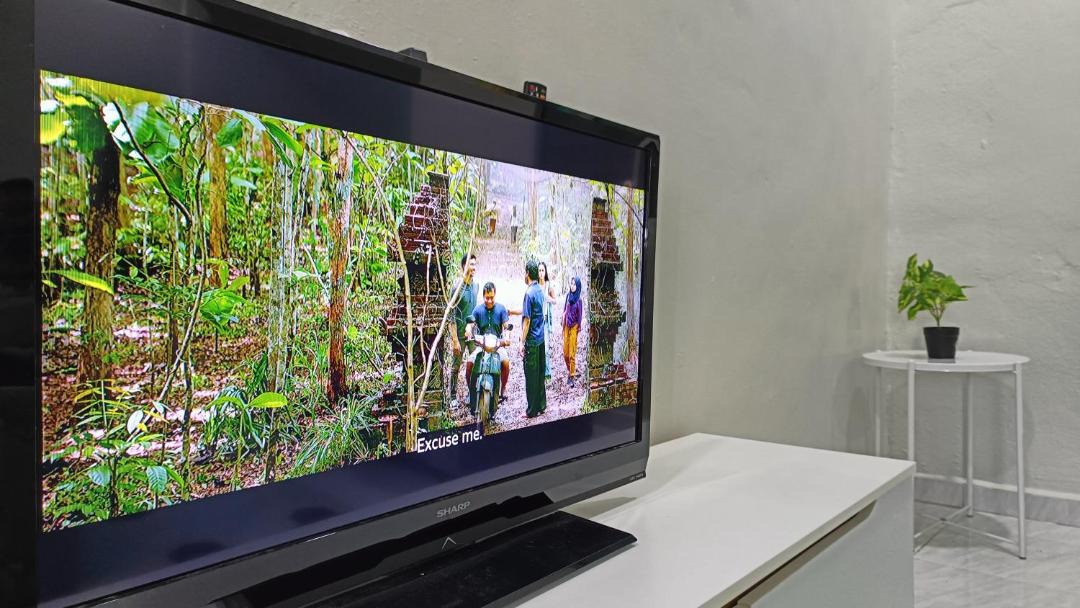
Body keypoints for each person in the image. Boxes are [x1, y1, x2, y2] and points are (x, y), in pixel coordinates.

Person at [465, 282, 512, 415]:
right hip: (482, 345)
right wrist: (468, 331)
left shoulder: (501, 309)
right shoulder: (478, 310)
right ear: (483, 296)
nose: (489, 300)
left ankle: (502, 389)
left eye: (491, 297)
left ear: (495, 295)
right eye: (487, 298)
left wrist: (507, 337)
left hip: (497, 345)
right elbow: (470, 324)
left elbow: (506, 326)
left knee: (506, 362)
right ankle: (471, 392)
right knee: (469, 364)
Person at [448, 254, 478, 409]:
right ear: (463, 267)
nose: (473, 268)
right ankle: (452, 396)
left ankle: (471, 393)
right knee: (455, 367)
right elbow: (451, 316)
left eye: (474, 264)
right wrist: (454, 340)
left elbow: (475, 311)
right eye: (470, 264)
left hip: (472, 333)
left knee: (475, 363)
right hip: (459, 335)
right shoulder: (457, 288)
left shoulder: (476, 286)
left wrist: (473, 327)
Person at [521, 260, 547, 418]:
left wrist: (522, 342)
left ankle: (531, 411)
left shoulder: (528, 293)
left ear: (527, 274)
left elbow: (527, 320)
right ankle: (542, 405)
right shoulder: (539, 290)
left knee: (531, 375)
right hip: (541, 339)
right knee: (540, 374)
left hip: (531, 340)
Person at [537, 262, 557, 380]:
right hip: (536, 321)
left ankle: (547, 373)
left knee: (545, 349)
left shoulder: (548, 286)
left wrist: (546, 297)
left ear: (545, 272)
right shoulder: (535, 286)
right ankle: (539, 373)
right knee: (538, 348)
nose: (541, 273)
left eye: (542, 270)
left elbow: (555, 301)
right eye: (539, 270)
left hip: (545, 321)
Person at [562, 276, 583, 386]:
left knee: (571, 353)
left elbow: (580, 316)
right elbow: (564, 310)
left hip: (574, 327)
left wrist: (578, 328)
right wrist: (563, 323)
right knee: (565, 353)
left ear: (578, 286)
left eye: (574, 284)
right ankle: (571, 370)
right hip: (566, 326)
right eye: (571, 284)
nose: (572, 286)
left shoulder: (579, 300)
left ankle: (572, 376)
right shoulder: (567, 296)